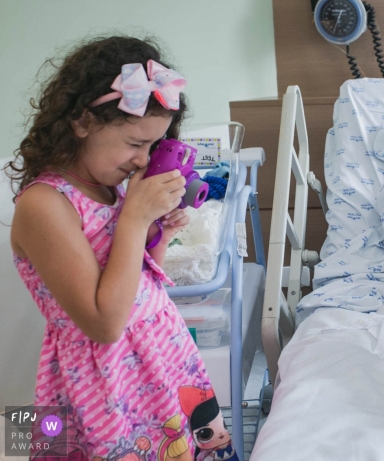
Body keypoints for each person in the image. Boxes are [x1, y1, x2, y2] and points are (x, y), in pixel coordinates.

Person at [7, 36, 234, 461]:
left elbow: (140, 287)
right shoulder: (44, 205)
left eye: (153, 145)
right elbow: (105, 324)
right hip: (105, 385)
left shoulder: (110, 190)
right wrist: (133, 220)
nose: (142, 160)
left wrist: (157, 236)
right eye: (134, 143)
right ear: (81, 122)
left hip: (161, 361)